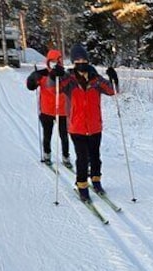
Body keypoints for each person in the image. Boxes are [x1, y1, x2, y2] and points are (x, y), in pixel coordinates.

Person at [49, 44, 117, 203]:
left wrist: (114, 78)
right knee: (82, 158)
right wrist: (54, 76)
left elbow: (111, 91)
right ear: (73, 62)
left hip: (94, 126)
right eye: (78, 60)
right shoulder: (69, 80)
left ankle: (96, 180)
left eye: (84, 59)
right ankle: (82, 186)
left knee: (95, 156)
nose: (81, 62)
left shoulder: (96, 79)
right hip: (76, 126)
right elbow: (54, 90)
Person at [26, 49, 71, 168]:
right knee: (47, 134)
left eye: (57, 61)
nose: (54, 64)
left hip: (62, 111)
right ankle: (47, 154)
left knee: (64, 136)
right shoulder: (41, 74)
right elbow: (30, 87)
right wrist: (32, 79)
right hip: (46, 111)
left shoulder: (65, 75)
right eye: (52, 61)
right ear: (47, 62)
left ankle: (66, 157)